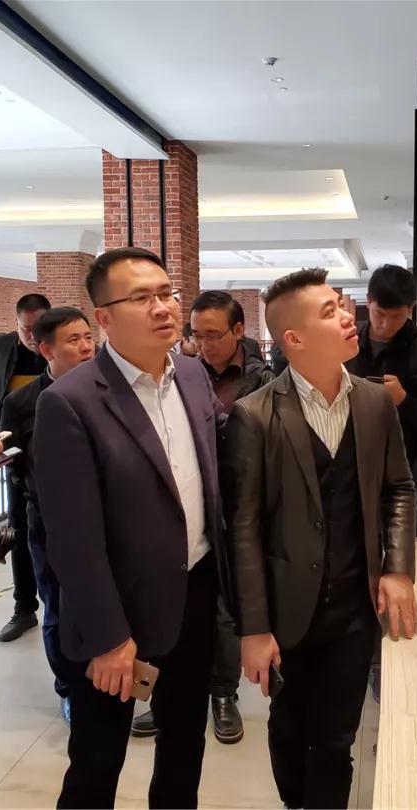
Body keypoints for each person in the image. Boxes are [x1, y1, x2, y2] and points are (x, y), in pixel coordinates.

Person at [33, 247, 223, 809]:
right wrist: (110, 637)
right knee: (97, 763)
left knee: (184, 747)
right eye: (142, 297)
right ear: (105, 318)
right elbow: (73, 540)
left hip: (192, 594)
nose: (163, 307)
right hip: (116, 611)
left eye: (167, 293)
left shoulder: (192, 375)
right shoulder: (69, 403)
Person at [221, 268, 417, 809]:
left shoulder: (375, 402)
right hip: (288, 611)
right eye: (330, 311)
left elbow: (398, 488)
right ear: (294, 339)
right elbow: (243, 529)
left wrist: (398, 568)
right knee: (288, 728)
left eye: (342, 305)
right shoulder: (255, 416)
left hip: (354, 606)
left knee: (335, 739)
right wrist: (253, 628)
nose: (349, 317)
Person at [132, 291, 273, 744]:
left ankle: (223, 694)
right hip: (187, 512)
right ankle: (166, 698)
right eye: (196, 335)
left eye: (214, 335)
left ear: (239, 331)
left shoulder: (262, 379)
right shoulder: (180, 374)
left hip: (237, 508)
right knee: (173, 607)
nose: (204, 344)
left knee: (226, 611)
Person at [0, 308, 96, 726]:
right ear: (46, 349)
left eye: (88, 337)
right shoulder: (22, 403)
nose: (86, 346)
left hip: (106, 521)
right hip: (50, 524)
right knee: (57, 607)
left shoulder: (110, 392)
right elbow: (15, 464)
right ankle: (69, 688)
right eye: (74, 340)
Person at [0, 293, 51, 643]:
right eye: (26, 330)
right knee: (20, 530)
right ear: (16, 325)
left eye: (39, 329)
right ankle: (24, 607)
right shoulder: (2, 346)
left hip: (58, 456)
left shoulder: (61, 346)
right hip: (18, 455)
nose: (33, 337)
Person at [346, 265, 417, 472]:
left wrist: (403, 399)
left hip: (398, 474)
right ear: (368, 301)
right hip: (345, 469)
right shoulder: (346, 342)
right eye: (379, 314)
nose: (385, 324)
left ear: (411, 308)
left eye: (396, 317)